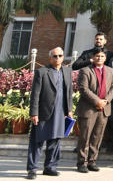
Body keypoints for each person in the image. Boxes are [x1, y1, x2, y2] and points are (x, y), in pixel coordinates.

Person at [26, 47, 73, 180]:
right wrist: (34, 113)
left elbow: (69, 91)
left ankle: (50, 167)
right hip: (43, 112)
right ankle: (32, 169)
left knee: (55, 141)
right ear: (50, 58)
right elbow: (35, 94)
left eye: (60, 56)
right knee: (37, 142)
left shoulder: (67, 71)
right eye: (55, 56)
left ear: (63, 57)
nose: (58, 58)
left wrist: (69, 109)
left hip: (60, 112)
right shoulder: (41, 72)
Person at [75, 50, 113, 173]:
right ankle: (82, 163)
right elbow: (83, 88)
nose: (99, 58)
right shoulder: (85, 71)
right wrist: (97, 101)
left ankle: (92, 161)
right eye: (97, 56)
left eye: (102, 56)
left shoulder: (110, 71)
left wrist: (106, 100)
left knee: (97, 137)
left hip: (104, 109)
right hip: (88, 108)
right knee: (85, 137)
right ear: (93, 57)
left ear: (105, 58)